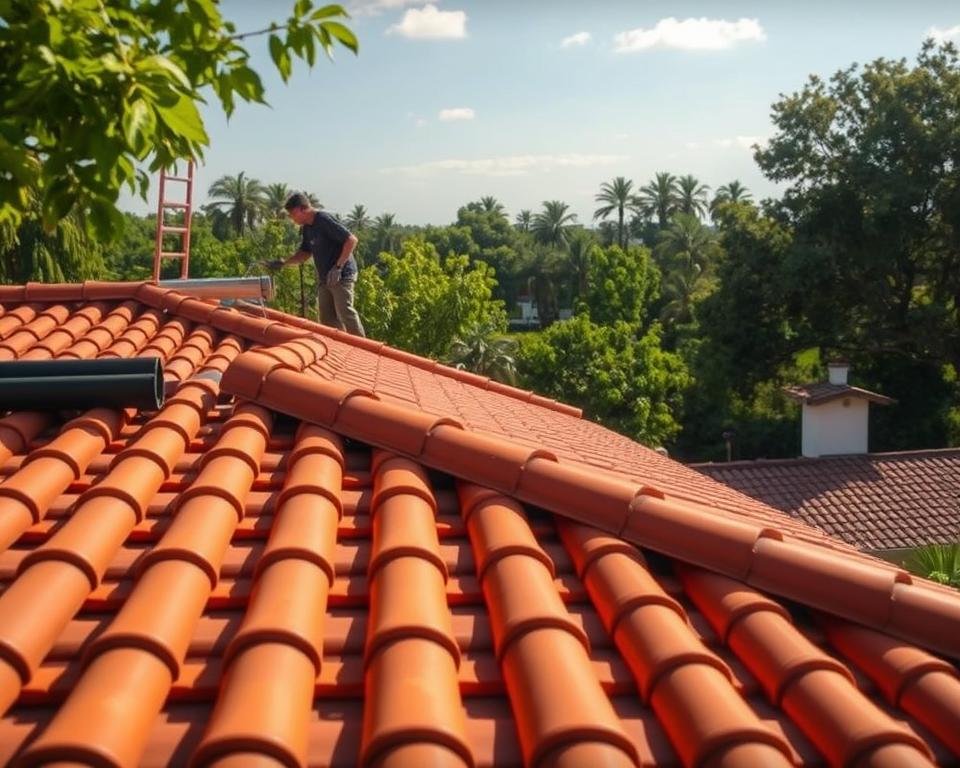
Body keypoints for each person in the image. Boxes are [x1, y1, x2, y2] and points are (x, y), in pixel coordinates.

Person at [271, 192, 365, 336]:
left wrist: (338, 267)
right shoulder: (307, 228)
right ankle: (339, 348)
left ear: (303, 209)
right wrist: (283, 263)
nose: (292, 218)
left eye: (293, 214)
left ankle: (364, 348)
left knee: (345, 313)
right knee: (327, 318)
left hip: (341, 274)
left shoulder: (323, 220)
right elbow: (304, 253)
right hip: (325, 278)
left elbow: (351, 240)